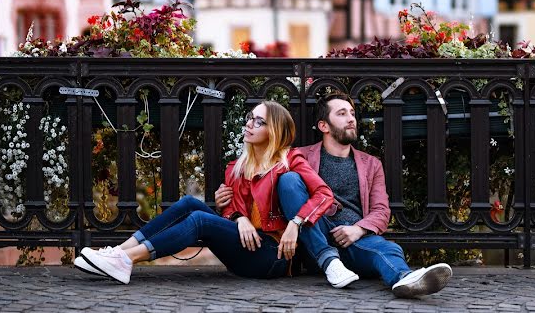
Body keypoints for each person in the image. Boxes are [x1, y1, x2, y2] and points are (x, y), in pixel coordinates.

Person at [76, 100, 357, 286]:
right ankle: (117, 253)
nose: (249, 124)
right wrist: (239, 218)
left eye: (258, 121)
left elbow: (324, 195)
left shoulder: (290, 160)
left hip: (273, 256)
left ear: (274, 130)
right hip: (245, 248)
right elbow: (229, 210)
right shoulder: (236, 167)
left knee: (201, 221)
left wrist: (296, 223)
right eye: (249, 118)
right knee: (189, 203)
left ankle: (127, 261)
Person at [216, 92, 452, 298]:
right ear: (323, 126)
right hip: (312, 233)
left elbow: (381, 211)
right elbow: (255, 174)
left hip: (352, 237)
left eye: (352, 113)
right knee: (289, 180)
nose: (351, 118)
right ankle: (329, 261)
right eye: (341, 113)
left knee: (386, 249)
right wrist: (228, 197)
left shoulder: (371, 165)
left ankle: (406, 280)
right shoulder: (298, 156)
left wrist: (357, 230)